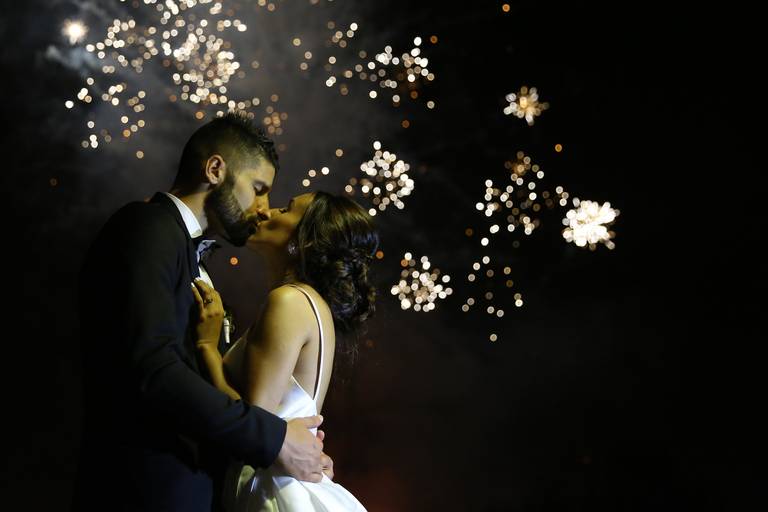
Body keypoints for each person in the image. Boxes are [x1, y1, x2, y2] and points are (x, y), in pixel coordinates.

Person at [73, 113, 330, 511]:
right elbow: (153, 369)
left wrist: (294, 447)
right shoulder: (147, 227)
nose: (264, 209)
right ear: (215, 169)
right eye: (258, 189)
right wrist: (274, 439)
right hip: (143, 493)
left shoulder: (195, 262)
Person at [190, 191, 376, 511]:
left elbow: (253, 422)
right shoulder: (311, 304)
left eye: (287, 209)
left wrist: (206, 347)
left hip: (272, 490)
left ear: (303, 241)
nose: (268, 212)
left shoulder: (289, 300)